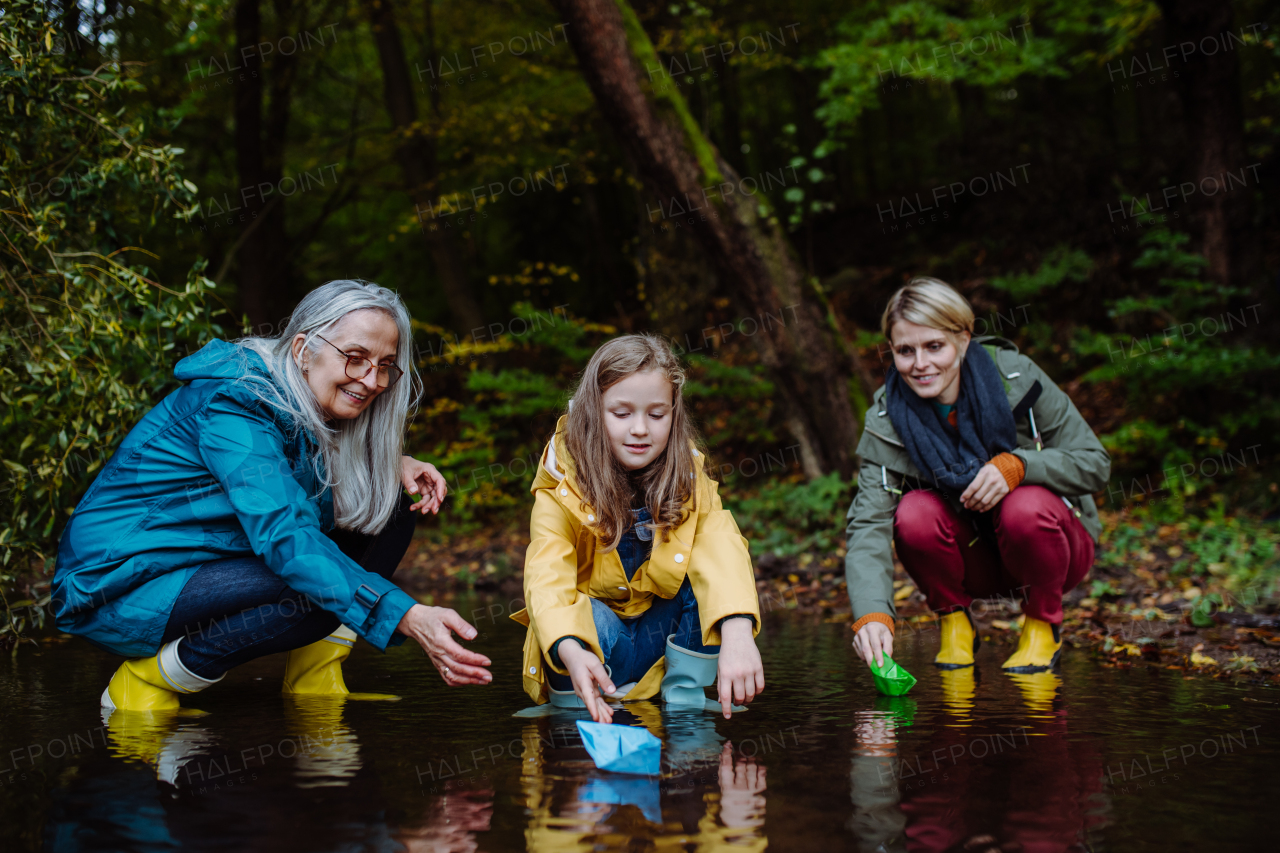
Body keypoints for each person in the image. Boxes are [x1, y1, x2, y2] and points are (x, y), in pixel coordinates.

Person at [52, 280, 492, 712]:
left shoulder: (293, 394)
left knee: (390, 503)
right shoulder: (234, 405)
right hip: (116, 583)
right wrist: (406, 615)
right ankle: (148, 681)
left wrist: (388, 463)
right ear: (303, 349)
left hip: (197, 560)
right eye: (355, 358)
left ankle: (315, 672)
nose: (372, 380)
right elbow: (284, 536)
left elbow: (290, 471)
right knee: (314, 587)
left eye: (385, 366)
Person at [845, 278, 1109, 674]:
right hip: (974, 560)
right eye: (905, 350)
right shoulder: (887, 419)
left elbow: (1095, 464)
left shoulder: (1017, 378)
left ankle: (1041, 625)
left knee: (1024, 503)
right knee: (913, 512)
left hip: (1053, 548)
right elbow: (869, 525)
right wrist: (872, 616)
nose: (920, 364)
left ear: (964, 340)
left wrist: (1020, 466)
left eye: (934, 346)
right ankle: (954, 623)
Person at [511, 335, 763, 722]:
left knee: (708, 577)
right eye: (622, 413)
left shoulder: (688, 474)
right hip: (589, 650)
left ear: (674, 414)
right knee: (576, 613)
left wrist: (739, 629)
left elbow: (720, 543)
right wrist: (568, 647)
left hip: (656, 647)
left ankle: (683, 705)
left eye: (656, 415)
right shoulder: (561, 480)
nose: (640, 429)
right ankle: (578, 702)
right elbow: (546, 574)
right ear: (595, 411)